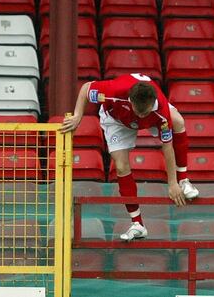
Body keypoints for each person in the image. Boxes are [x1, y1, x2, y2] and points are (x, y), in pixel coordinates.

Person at [60, 73, 199, 241]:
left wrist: (173, 183)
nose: (140, 116)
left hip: (152, 119)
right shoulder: (112, 92)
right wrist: (77, 116)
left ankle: (184, 180)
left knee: (179, 121)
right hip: (117, 119)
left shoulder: (160, 111)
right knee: (121, 166)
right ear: (131, 101)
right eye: (138, 111)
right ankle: (137, 224)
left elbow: (167, 147)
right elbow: (85, 89)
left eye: (144, 112)